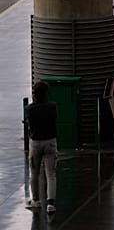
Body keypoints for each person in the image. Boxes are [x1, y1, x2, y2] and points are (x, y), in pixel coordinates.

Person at [25, 81, 58, 214]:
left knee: (35, 173)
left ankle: (36, 201)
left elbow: (29, 124)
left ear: (34, 94)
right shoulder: (53, 106)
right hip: (50, 141)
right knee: (51, 174)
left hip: (35, 143)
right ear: (46, 93)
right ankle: (51, 204)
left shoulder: (29, 109)